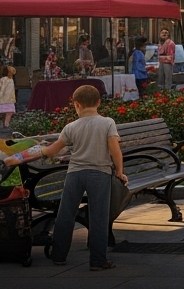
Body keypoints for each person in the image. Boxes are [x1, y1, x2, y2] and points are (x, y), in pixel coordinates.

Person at [29, 85, 127, 270]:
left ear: (76, 105)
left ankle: (58, 256)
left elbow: (51, 151)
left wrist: (36, 149)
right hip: (99, 173)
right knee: (99, 217)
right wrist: (120, 171)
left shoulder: (70, 127)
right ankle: (98, 261)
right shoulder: (107, 123)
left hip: (74, 174)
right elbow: (115, 150)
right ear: (99, 102)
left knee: (65, 215)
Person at [0, 65, 14, 131]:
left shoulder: (3, 79)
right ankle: (6, 124)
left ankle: (5, 123)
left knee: (4, 112)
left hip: (4, 99)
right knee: (9, 112)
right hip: (9, 99)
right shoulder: (9, 80)